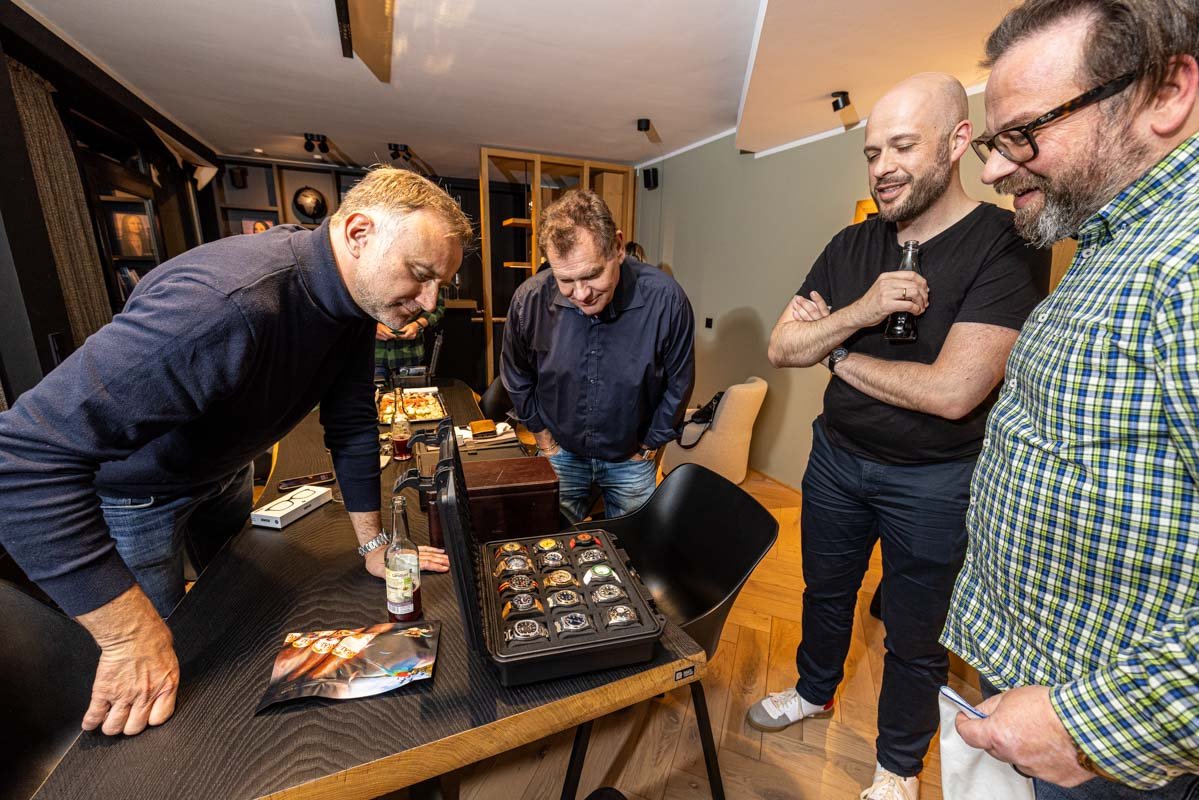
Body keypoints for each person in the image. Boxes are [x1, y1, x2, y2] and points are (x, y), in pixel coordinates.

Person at [0, 166, 472, 737]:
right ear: (358, 233)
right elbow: (20, 462)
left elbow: (350, 422)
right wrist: (128, 636)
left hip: (223, 473)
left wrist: (374, 545)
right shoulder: (223, 305)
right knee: (159, 678)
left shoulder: (354, 302)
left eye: (440, 285)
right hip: (136, 498)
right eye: (420, 275)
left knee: (231, 619)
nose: (428, 302)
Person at [749, 73, 1048, 800]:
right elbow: (782, 347)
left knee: (916, 636)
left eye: (903, 146)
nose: (882, 167)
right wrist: (859, 312)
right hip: (836, 460)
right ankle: (813, 690)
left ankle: (898, 765)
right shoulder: (851, 244)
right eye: (872, 152)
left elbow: (952, 393)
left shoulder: (1004, 243)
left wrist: (836, 353)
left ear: (955, 142)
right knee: (825, 592)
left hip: (935, 482)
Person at [940, 2, 1199, 797]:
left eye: (1023, 133)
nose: (993, 171)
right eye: (992, 142)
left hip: (1120, 751)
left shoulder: (1187, 264)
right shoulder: (1109, 241)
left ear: (1164, 93)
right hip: (1042, 694)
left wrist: (1089, 726)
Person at [501, 190, 694, 522]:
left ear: (617, 247)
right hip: (560, 454)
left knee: (632, 547)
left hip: (631, 460)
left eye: (592, 275)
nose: (581, 294)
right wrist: (545, 442)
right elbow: (516, 375)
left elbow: (679, 385)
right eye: (565, 280)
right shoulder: (529, 300)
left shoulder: (666, 301)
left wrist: (648, 448)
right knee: (552, 543)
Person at [374, 288, 445, 383]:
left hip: (410, 355)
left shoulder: (427, 279)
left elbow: (437, 307)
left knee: (414, 393)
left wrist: (418, 324)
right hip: (373, 356)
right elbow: (355, 307)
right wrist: (371, 326)